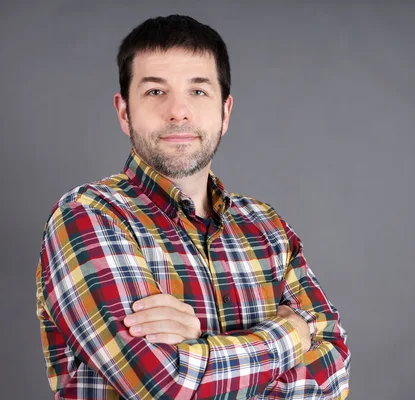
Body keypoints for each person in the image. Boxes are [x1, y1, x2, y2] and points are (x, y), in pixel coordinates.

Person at [35, 14, 350, 400]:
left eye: (198, 91)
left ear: (225, 112)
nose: (178, 111)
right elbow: (166, 386)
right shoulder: (89, 216)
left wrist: (199, 347)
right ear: (123, 111)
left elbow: (334, 372)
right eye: (155, 92)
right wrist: (293, 334)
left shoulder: (267, 227)